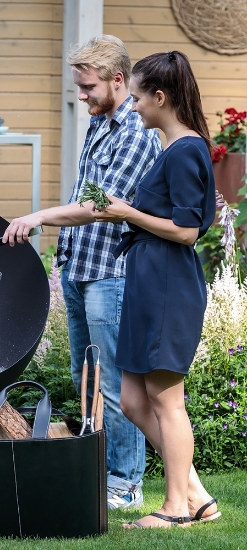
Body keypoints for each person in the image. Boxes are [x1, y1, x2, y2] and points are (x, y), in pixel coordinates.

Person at [3, 35, 161, 509]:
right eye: (79, 87)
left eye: (89, 87)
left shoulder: (135, 131)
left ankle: (126, 485)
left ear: (118, 80)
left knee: (113, 384)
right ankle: (99, 474)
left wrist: (38, 217)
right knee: (85, 377)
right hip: (80, 266)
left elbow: (98, 206)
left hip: (112, 273)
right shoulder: (99, 122)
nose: (83, 96)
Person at [91, 51, 220, 528]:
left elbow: (187, 231)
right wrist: (123, 209)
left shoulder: (187, 150)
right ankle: (197, 496)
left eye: (140, 97)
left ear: (160, 97)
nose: (135, 106)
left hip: (168, 281)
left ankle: (175, 509)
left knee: (167, 401)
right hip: (148, 278)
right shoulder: (171, 148)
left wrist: (127, 212)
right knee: (132, 400)